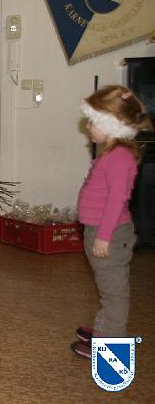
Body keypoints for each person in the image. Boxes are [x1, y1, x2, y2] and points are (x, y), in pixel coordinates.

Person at [70, 85, 152, 358]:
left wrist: (104, 236)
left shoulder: (119, 157)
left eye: (92, 122)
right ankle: (104, 332)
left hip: (110, 235)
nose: (88, 127)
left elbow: (117, 199)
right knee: (108, 288)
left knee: (114, 293)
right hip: (102, 232)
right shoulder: (113, 152)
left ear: (111, 124)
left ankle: (113, 351)